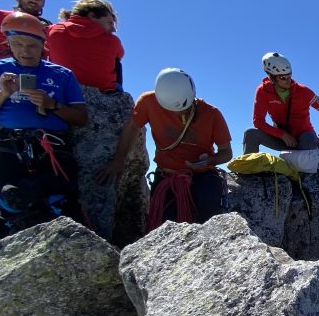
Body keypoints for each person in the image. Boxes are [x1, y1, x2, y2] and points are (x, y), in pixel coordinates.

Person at [0, 12, 88, 242]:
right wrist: (3, 94)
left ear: (43, 44)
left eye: (32, 45)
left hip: (51, 145)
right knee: (8, 200)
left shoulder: (61, 75)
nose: (25, 50)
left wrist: (51, 104)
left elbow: (81, 117)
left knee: (59, 198)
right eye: (17, 44)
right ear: (8, 43)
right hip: (7, 144)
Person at [97, 68, 232, 230]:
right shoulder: (148, 102)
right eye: (172, 111)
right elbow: (132, 127)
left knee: (209, 215)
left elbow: (226, 152)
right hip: (167, 177)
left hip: (202, 176)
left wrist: (211, 160)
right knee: (163, 227)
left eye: (185, 109)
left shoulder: (212, 114)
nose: (179, 114)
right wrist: (119, 160)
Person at [243, 52, 319, 154]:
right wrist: (282, 134)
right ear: (271, 77)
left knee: (308, 139)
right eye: (282, 78)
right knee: (250, 134)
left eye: (289, 75)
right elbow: (258, 122)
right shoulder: (262, 91)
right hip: (282, 139)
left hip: (305, 140)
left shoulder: (303, 91)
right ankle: (249, 168)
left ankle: (303, 168)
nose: (288, 80)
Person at [46, 0, 124, 92]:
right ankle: (118, 94)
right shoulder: (112, 41)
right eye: (110, 23)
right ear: (92, 16)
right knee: (117, 62)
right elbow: (121, 55)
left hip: (62, 89)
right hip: (102, 93)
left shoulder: (52, 30)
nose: (113, 29)